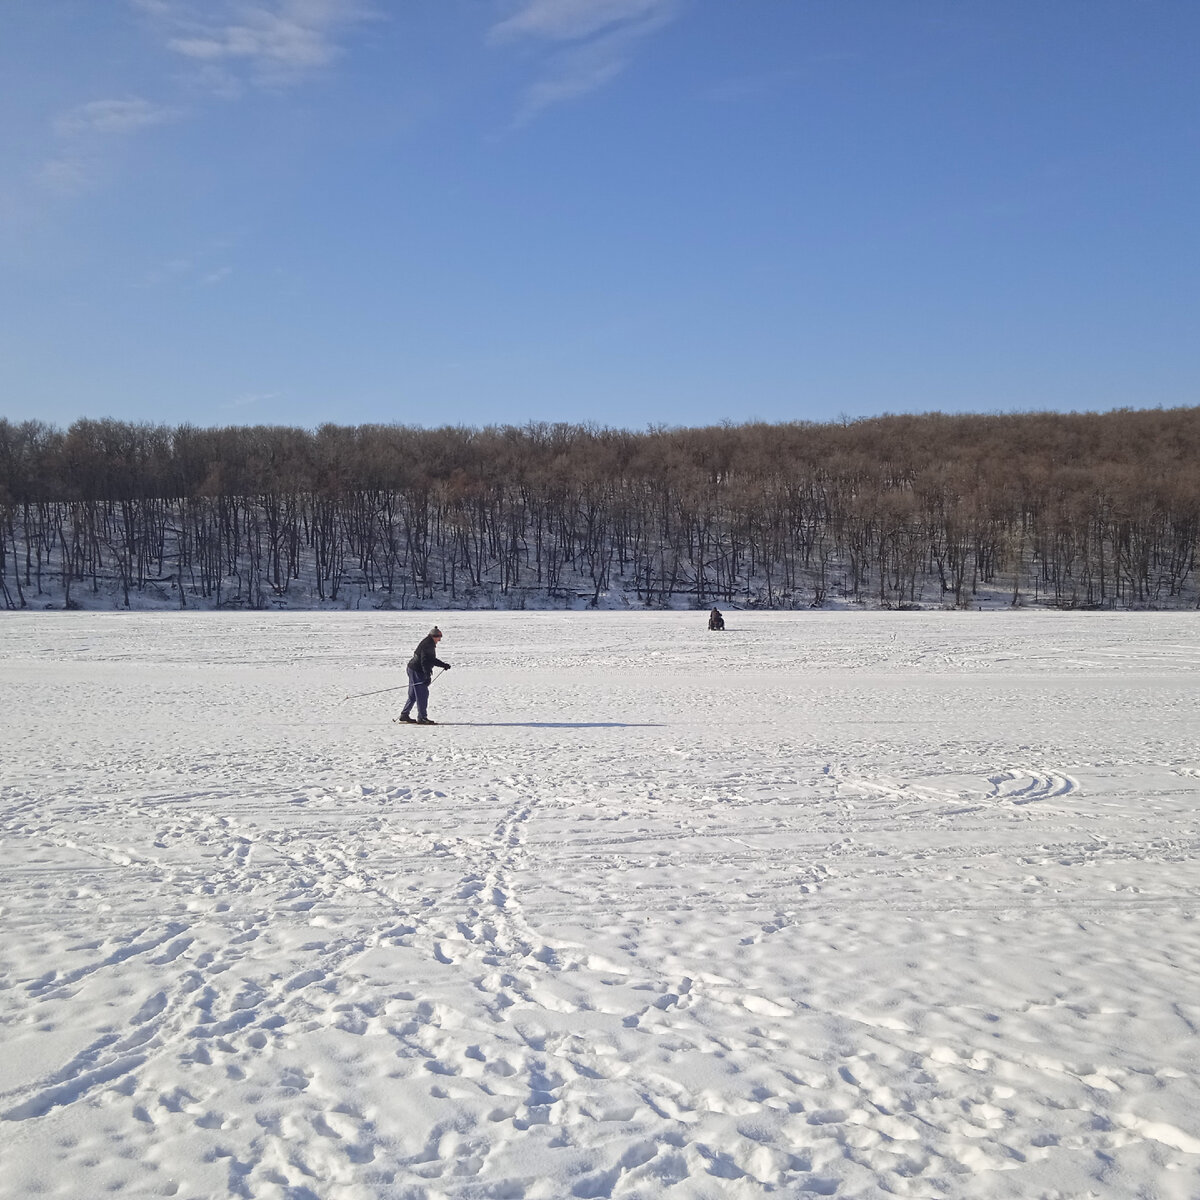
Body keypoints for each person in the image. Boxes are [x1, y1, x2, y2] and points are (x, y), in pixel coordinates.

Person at [398, 625, 450, 724]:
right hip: (417, 670)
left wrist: (443, 665)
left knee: (413, 694)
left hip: (412, 669)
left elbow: (431, 659)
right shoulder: (428, 644)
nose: (439, 640)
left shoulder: (428, 642)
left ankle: (405, 714)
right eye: (439, 637)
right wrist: (427, 675)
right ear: (434, 636)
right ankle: (422, 717)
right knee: (422, 694)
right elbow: (425, 661)